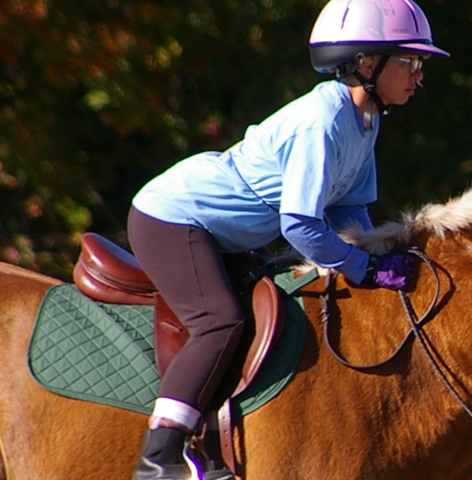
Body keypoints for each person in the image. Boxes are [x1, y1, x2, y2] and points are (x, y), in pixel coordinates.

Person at [123, 0, 444, 478]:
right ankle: (159, 458)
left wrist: (382, 251)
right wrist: (361, 267)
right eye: (411, 62)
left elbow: (349, 211)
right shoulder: (322, 122)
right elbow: (299, 225)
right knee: (221, 321)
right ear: (368, 63)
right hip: (174, 218)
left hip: (226, 234)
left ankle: (211, 445)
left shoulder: (366, 121)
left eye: (421, 64)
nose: (419, 75)